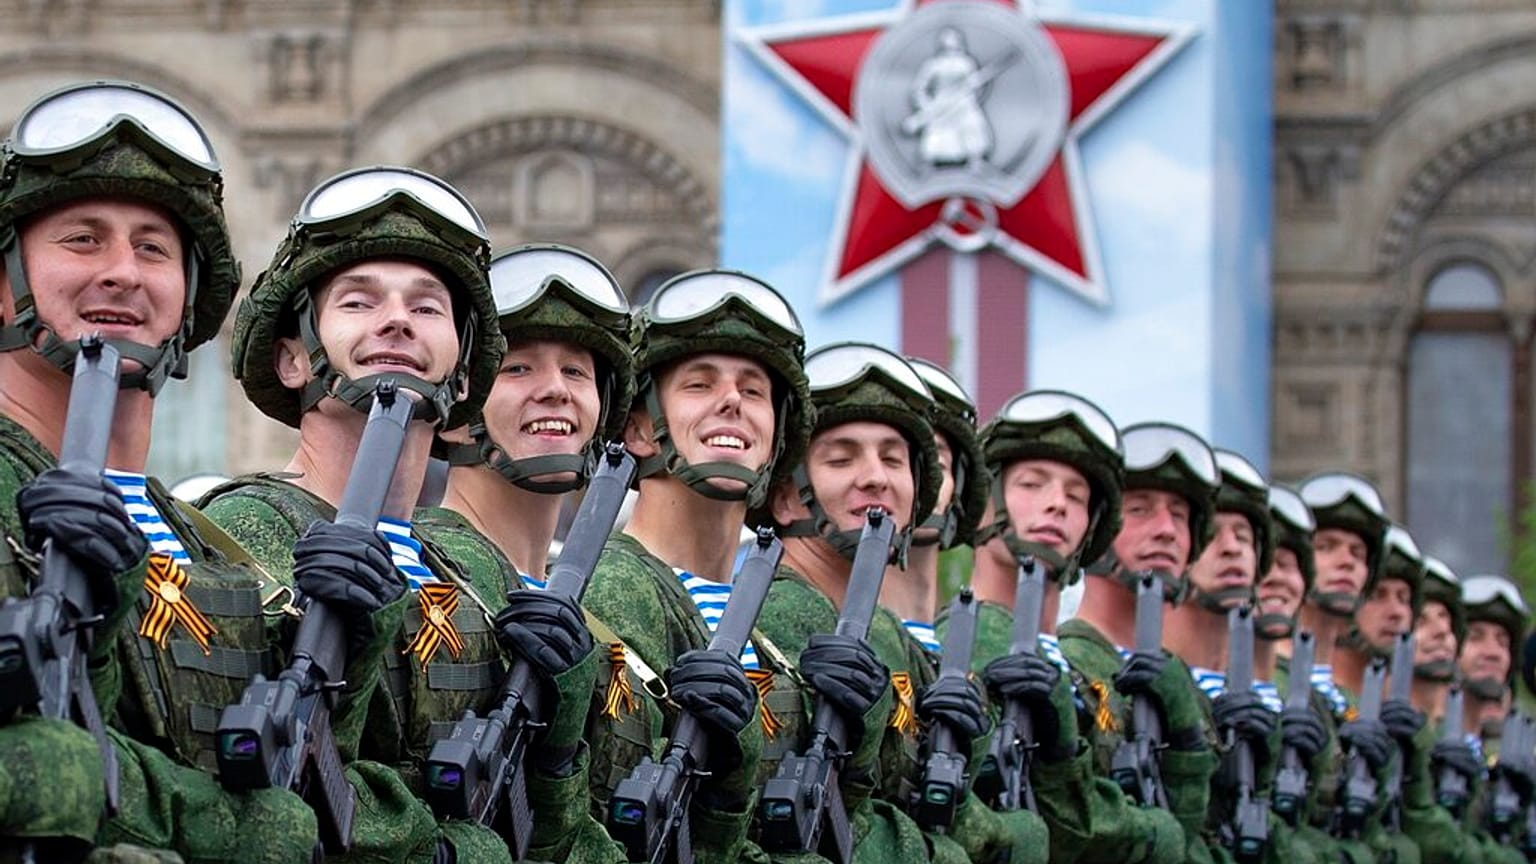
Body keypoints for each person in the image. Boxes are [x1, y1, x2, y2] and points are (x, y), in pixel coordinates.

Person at [0, 80, 317, 862]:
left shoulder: (208, 548)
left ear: (190, 295)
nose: (123, 272)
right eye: (82, 239)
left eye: (152, 248)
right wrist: (232, 825)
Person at [199, 165, 513, 862]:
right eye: (358, 302)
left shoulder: (470, 574)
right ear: (290, 359)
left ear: (460, 376)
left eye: (428, 307)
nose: (396, 319)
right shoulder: (241, 533)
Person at [967, 389, 1188, 863]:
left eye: (1076, 495)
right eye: (1032, 484)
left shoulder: (1081, 674)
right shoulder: (956, 647)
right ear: (984, 503)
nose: (1057, 505)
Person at [1056, 421, 1223, 863]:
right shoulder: (1064, 664)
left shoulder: (1181, 683)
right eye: (1141, 510)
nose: (1167, 530)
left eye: (1180, 515)